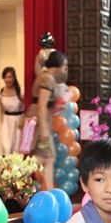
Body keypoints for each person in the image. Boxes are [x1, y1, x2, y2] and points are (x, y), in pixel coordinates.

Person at [25, 50, 69, 190]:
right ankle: (16, 180)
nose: (65, 70)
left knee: (46, 158)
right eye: (64, 66)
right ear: (57, 65)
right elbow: (42, 104)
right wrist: (44, 129)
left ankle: (18, 182)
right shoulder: (47, 79)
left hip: (35, 120)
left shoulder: (45, 77)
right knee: (45, 158)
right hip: (38, 122)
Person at [0, 67, 24, 155]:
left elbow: (26, 109)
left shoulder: (21, 91)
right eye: (5, 77)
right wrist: (2, 124)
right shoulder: (1, 92)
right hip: (7, 122)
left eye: (10, 77)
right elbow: (1, 110)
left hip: (18, 121)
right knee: (6, 147)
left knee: (17, 148)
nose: (8, 80)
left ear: (14, 77)